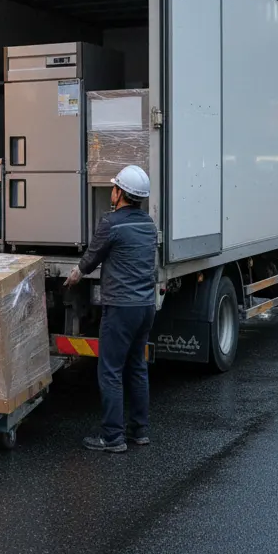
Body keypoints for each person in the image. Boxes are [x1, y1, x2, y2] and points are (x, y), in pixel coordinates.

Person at [65, 165, 157, 453]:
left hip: (120, 308)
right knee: (137, 368)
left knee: (110, 371)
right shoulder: (149, 224)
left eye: (114, 188)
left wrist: (75, 274)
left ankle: (113, 437)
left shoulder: (112, 222)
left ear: (121, 193)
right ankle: (139, 431)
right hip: (145, 307)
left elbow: (93, 257)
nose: (112, 192)